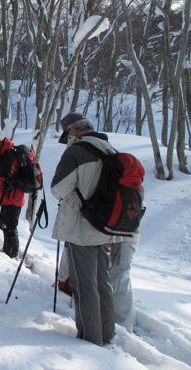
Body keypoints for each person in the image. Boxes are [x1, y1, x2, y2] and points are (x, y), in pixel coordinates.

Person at [51, 112, 118, 346]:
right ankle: (107, 334)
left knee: (84, 283)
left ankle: (91, 340)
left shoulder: (76, 151)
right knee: (102, 281)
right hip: (107, 226)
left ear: (73, 131)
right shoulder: (110, 150)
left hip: (82, 226)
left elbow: (58, 188)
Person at [0, 133, 26, 258]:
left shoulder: (9, 154)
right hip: (8, 196)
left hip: (13, 196)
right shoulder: (3, 153)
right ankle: (8, 250)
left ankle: (12, 254)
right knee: (4, 225)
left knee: (10, 226)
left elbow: (5, 173)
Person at [110, 234, 139, 332]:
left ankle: (123, 327)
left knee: (120, 276)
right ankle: (128, 322)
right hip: (124, 233)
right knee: (121, 276)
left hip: (124, 234)